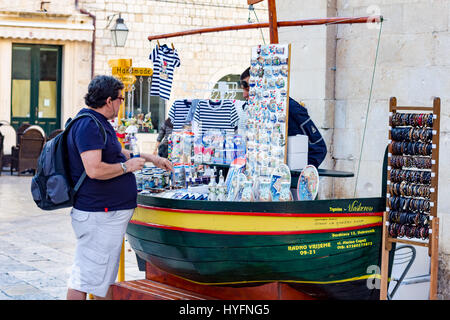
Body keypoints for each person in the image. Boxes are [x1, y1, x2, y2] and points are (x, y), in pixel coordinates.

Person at [65, 75, 173, 300]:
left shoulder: (97, 123)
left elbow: (118, 153)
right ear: (108, 100)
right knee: (84, 279)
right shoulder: (88, 125)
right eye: (121, 99)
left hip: (104, 214)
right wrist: (127, 167)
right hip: (98, 214)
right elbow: (94, 169)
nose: (121, 103)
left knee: (101, 278)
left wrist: (151, 158)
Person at [240, 67, 327, 168]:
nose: (244, 95)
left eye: (248, 89)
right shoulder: (253, 111)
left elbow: (319, 148)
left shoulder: (291, 108)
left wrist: (297, 173)